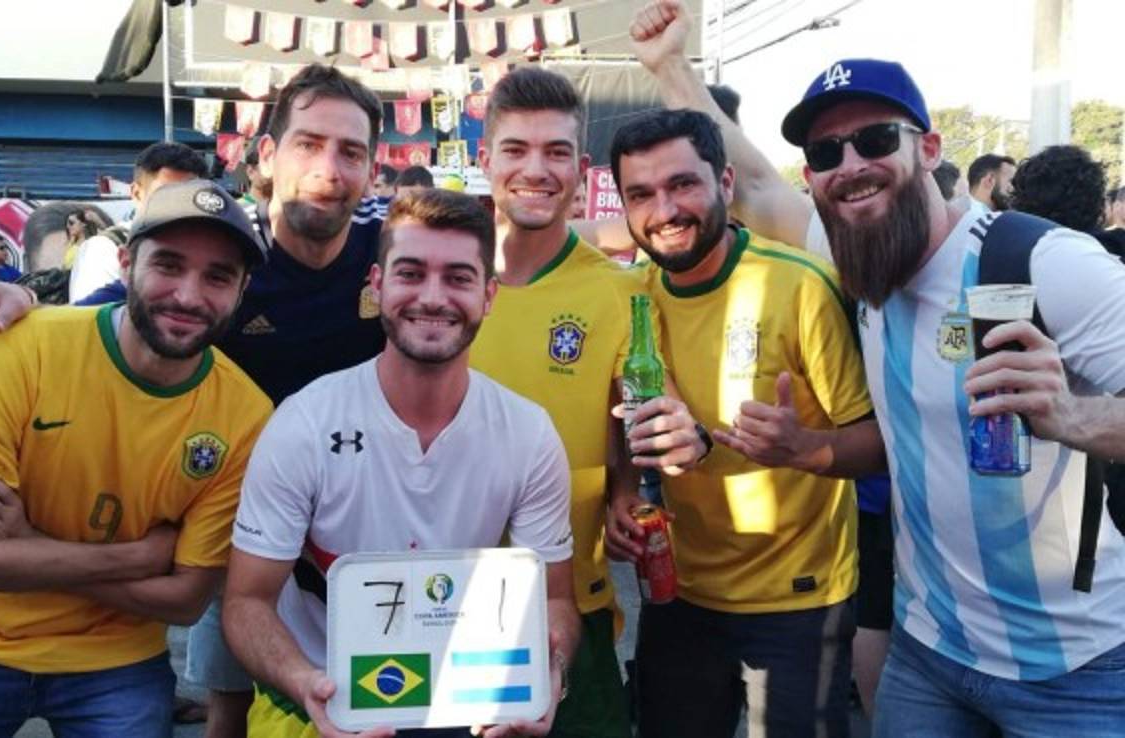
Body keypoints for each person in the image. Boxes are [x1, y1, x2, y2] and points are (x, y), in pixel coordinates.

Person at [635, 3, 1125, 729]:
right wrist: (670, 66)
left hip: (1074, 665)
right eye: (827, 154)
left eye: (873, 140)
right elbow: (762, 188)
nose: (851, 166)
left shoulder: (1046, 263)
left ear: (928, 148)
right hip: (930, 654)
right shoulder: (858, 260)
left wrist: (1075, 416)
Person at [0, 63, 392, 738]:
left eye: (351, 151)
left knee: (359, 699)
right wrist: (27, 302)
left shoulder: (388, 247)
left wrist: (31, 548)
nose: (330, 167)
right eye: (309, 143)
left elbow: (467, 273)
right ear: (267, 154)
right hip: (236, 519)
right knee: (229, 688)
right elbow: (120, 316)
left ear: (373, 169)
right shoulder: (233, 249)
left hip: (340, 519)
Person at [223, 188, 580, 738]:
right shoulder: (304, 423)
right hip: (318, 702)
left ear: (489, 295)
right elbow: (246, 602)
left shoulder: (528, 434)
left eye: (458, 278)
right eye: (411, 273)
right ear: (377, 285)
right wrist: (304, 683)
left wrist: (548, 674)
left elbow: (555, 599)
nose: (433, 297)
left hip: (467, 702)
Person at [0, 179, 273, 736]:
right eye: (169, 265)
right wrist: (141, 557)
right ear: (126, 262)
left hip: (113, 658)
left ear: (241, 289)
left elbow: (185, 600)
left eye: (218, 276)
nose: (188, 295)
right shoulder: (19, 349)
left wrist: (27, 543)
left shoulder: (246, 417)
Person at [604, 103, 882, 737]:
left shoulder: (802, 287)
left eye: (683, 184)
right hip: (678, 593)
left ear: (724, 185)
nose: (664, 210)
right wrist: (624, 492)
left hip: (798, 601)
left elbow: (877, 444)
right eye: (640, 194)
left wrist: (803, 447)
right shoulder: (630, 294)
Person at [469, 66, 709, 738]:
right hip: (447, 595)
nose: (534, 170)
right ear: (486, 159)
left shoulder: (622, 291)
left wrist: (622, 495)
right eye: (515, 149)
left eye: (554, 153)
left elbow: (625, 423)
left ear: (580, 170)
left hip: (571, 603)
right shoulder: (444, 278)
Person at [70, 142, 209, 303]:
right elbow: (95, 320)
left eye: (189, 195)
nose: (178, 204)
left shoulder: (203, 248)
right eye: (165, 195)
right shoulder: (104, 248)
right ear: (136, 193)